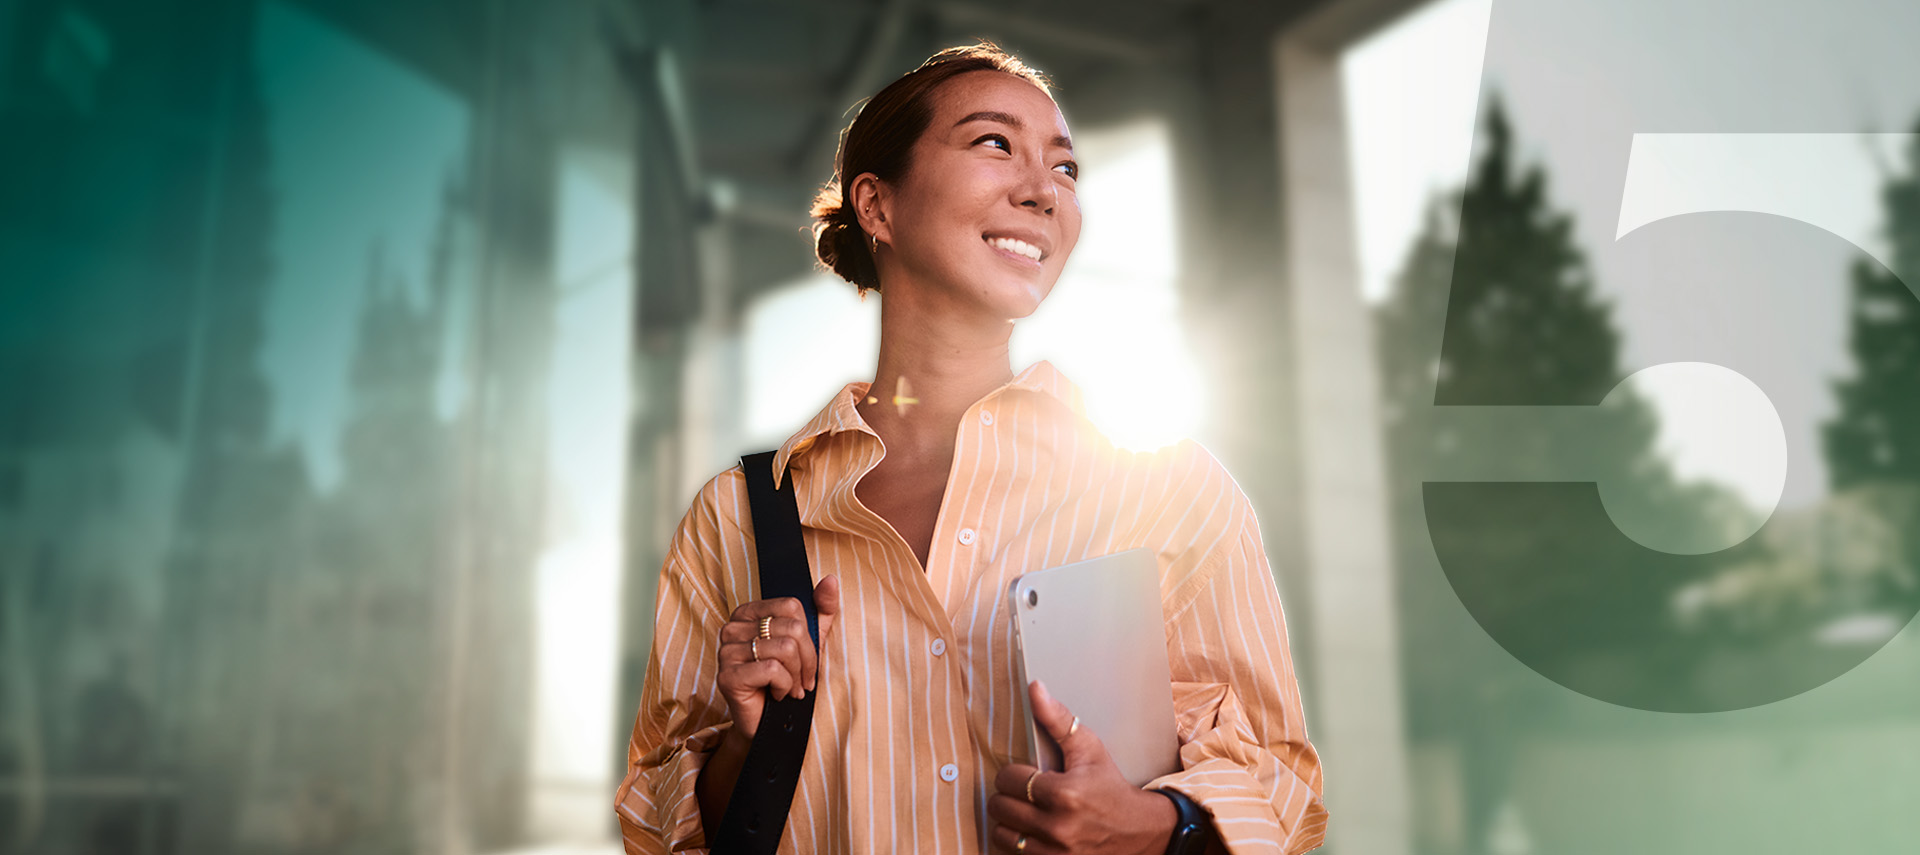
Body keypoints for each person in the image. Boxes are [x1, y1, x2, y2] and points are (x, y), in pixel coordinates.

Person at [615, 43, 1327, 855]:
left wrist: (1158, 826)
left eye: (1065, 168)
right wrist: (748, 743)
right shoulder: (736, 518)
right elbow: (654, 825)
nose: (1042, 190)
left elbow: (1281, 781)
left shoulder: (1169, 486)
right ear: (876, 207)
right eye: (995, 143)